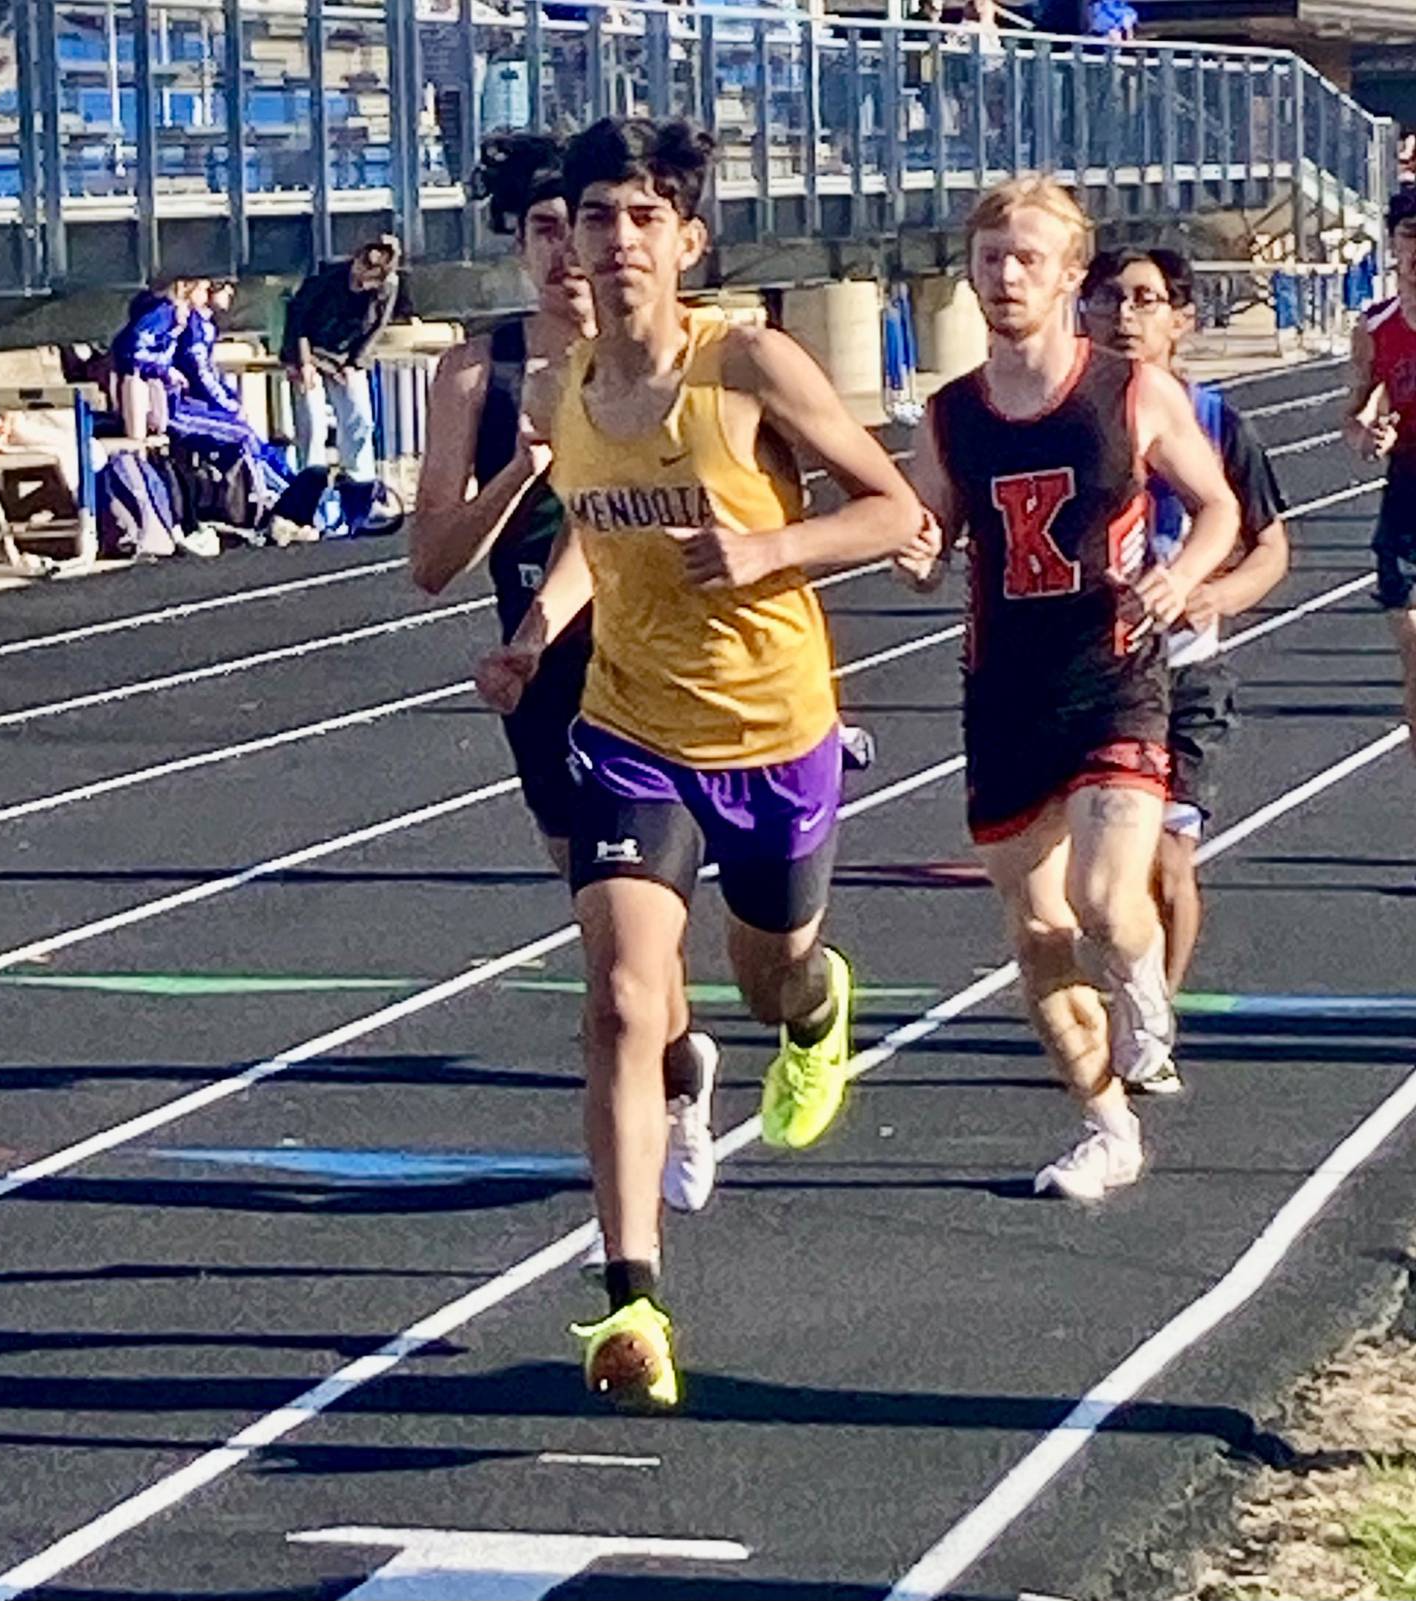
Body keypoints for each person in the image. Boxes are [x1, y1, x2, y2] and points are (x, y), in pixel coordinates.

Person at [478, 116, 921, 1409]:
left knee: (769, 973)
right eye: (594, 218)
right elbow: (593, 536)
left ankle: (816, 1010)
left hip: (774, 733)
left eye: (642, 217)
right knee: (624, 999)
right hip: (631, 732)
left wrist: (771, 550)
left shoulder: (748, 366)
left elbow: (895, 510)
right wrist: (534, 636)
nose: (616, 241)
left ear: (687, 240)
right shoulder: (561, 395)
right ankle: (632, 1300)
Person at [894, 178, 1237, 1200]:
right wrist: (913, 551)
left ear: (1068, 276)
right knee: (1038, 931)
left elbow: (1218, 507)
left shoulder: (1131, 392)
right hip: (1006, 690)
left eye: (1028, 259)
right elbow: (928, 541)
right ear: (970, 272)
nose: (1008, 276)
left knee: (1101, 897)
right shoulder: (951, 415)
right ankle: (1104, 1123)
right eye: (991, 257)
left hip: (1114, 673)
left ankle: (1142, 980)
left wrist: (1184, 573)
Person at [412, 132, 721, 1251]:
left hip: (657, 665)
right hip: (542, 681)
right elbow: (431, 560)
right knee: (615, 938)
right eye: (542, 231)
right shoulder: (476, 374)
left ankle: (662, 1115)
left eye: (575, 228)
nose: (563, 255)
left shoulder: (670, 362)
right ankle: (678, 1070)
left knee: (633, 938)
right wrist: (523, 465)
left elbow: (618, 522)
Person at [1083, 247, 1288, 1074]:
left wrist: (1219, 594)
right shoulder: (1055, 416)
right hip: (1086, 671)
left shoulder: (1217, 423)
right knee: (1092, 879)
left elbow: (1272, 547)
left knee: (1168, 858)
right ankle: (1115, 999)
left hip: (1186, 671)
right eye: (1108, 298)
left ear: (1182, 319)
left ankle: (1150, 1024)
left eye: (1145, 300)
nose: (1124, 316)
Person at [1344, 185, 1416, 770]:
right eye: (1411, 236)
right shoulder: (1374, 327)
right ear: (1393, 244)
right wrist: (1367, 435)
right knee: (1414, 650)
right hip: (1407, 493)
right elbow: (1352, 415)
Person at [280, 236, 403, 531]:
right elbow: (299, 318)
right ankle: (308, 499)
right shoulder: (328, 278)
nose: (361, 284)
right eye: (360, 272)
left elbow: (377, 327)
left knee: (359, 420)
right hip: (310, 351)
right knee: (313, 423)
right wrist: (303, 362)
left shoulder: (388, 287)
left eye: (369, 281)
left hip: (346, 356)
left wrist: (355, 362)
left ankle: (360, 497)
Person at [171, 279, 290, 504]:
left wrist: (230, 399)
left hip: (200, 405)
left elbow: (210, 374)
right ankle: (268, 497)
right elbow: (200, 374)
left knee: (258, 443)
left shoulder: (204, 324)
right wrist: (228, 405)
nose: (230, 291)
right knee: (243, 436)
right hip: (186, 407)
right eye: (223, 285)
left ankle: (288, 487)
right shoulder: (193, 327)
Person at [111, 279, 195, 443]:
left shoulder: (172, 316)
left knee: (160, 427)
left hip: (154, 379)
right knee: (139, 435)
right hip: (137, 377)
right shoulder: (161, 313)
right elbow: (135, 350)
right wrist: (166, 370)